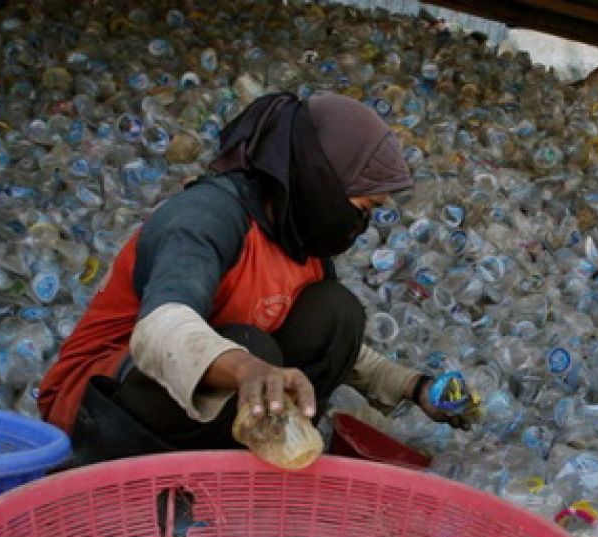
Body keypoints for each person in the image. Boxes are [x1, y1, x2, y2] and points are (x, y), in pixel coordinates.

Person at [39, 92, 457, 465]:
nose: (364, 221)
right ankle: (164, 479)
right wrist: (248, 368)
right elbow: (160, 330)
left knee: (336, 311)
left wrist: (413, 387)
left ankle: (238, 468)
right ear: (319, 176)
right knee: (254, 347)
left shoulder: (300, 238)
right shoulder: (207, 217)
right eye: (364, 205)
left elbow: (336, 345)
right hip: (96, 405)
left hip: (209, 400)